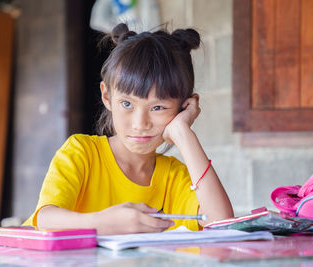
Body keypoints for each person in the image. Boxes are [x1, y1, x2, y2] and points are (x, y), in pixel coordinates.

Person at [23, 23, 233, 235]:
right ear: (107, 96)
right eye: (127, 104)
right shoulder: (82, 153)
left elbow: (221, 223)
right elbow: (44, 219)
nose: (140, 124)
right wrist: (102, 223)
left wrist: (183, 133)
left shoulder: (174, 177)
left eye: (158, 107)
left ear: (183, 107)